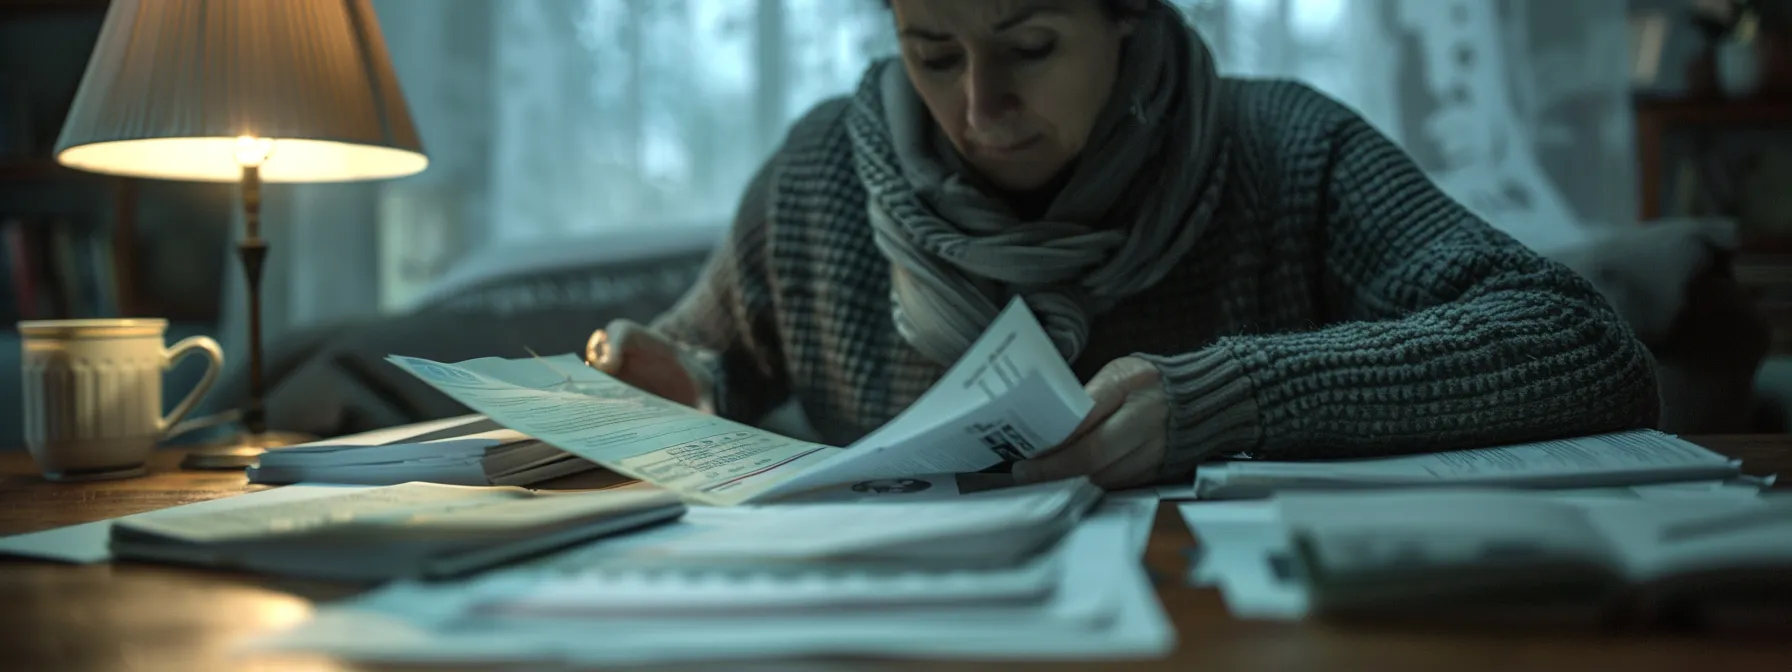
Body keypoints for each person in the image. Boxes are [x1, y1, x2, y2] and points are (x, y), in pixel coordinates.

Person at [586, 0, 1659, 490]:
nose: (980, 104)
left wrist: (1235, 395)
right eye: (931, 52)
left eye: (1031, 46)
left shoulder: (1283, 145)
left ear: (1130, 20)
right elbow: (708, 356)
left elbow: (1579, 344)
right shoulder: (822, 170)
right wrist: (676, 380)